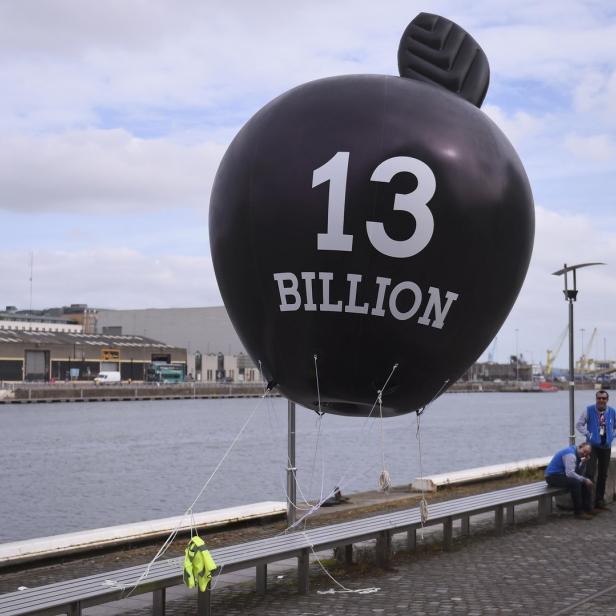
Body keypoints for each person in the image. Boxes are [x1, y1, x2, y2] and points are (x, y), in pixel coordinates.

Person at [576, 389, 615, 510]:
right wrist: (589, 434)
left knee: (603, 475)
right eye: (599, 398)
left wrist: (612, 435)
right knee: (590, 473)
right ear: (596, 399)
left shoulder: (612, 412)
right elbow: (579, 425)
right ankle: (587, 503)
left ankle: (599, 500)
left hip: (606, 447)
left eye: (604, 398)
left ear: (607, 400)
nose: (601, 400)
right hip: (592, 448)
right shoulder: (588, 410)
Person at [545, 443, 593, 519]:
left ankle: (588, 509)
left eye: (587, 453)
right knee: (576, 483)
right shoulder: (571, 455)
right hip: (552, 476)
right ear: (580, 447)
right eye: (584, 451)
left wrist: (584, 463)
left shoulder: (577, 454)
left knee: (583, 481)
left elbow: (578, 473)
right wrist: (584, 479)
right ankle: (578, 512)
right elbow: (570, 474)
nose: (584, 454)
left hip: (561, 474)